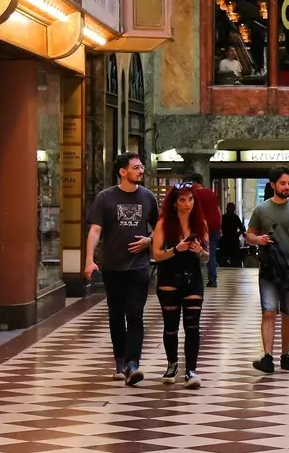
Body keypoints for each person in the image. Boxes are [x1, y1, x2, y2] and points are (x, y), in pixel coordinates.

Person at [83, 152, 160, 386]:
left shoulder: (148, 197)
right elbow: (95, 230)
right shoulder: (105, 198)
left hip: (139, 266)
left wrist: (149, 240)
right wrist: (89, 259)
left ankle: (133, 363)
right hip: (113, 266)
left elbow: (160, 229)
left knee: (135, 314)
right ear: (122, 171)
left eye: (141, 167)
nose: (141, 171)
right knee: (116, 314)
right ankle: (120, 360)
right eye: (136, 167)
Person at [248, 171, 289, 374]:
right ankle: (267, 357)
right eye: (283, 183)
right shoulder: (261, 209)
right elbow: (249, 235)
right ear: (273, 184)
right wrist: (258, 239)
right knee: (268, 311)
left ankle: (285, 355)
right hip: (269, 269)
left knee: (288, 314)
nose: (287, 187)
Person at [151, 183, 209, 388]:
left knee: (192, 326)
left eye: (190, 199)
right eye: (182, 200)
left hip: (193, 279)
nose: (187, 204)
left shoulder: (200, 223)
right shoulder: (164, 224)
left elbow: (207, 257)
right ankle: (172, 365)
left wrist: (199, 250)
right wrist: (177, 249)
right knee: (171, 326)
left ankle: (191, 370)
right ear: (174, 203)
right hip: (169, 278)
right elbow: (157, 255)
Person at [193, 178, 222, 287]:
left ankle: (195, 278)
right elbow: (218, 210)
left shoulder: (194, 195)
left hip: (200, 227)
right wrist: (219, 227)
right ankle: (212, 279)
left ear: (195, 183)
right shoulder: (212, 194)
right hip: (214, 226)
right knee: (212, 252)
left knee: (195, 250)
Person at [218, 201, 246, 268]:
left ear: (226, 209)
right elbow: (242, 229)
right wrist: (238, 234)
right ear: (234, 209)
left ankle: (225, 267)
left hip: (225, 240)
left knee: (223, 259)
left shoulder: (223, 217)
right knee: (235, 259)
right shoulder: (236, 218)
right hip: (233, 240)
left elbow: (218, 228)